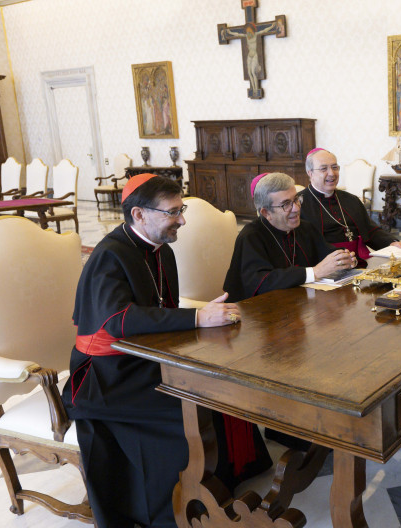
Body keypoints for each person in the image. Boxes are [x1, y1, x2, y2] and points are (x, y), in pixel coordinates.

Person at [62, 174, 272, 528]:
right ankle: (175, 512)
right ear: (140, 215)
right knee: (186, 412)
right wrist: (196, 318)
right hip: (107, 377)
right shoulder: (110, 255)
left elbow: (162, 308)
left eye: (181, 209)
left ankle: (224, 485)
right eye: (173, 212)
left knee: (222, 388)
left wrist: (201, 319)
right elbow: (117, 320)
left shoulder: (163, 252)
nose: (183, 220)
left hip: (146, 359)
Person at [223, 172, 357, 302]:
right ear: (266, 212)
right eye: (286, 204)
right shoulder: (251, 237)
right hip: (261, 315)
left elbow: (326, 253)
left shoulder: (305, 228)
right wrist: (314, 272)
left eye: (296, 200)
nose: (296, 209)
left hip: (301, 306)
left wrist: (344, 259)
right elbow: (262, 283)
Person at [299, 148, 401, 266]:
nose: (331, 173)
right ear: (310, 172)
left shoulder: (351, 200)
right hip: (324, 267)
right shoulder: (299, 205)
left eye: (335, 167)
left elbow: (370, 230)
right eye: (323, 169)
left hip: (357, 263)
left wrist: (392, 242)